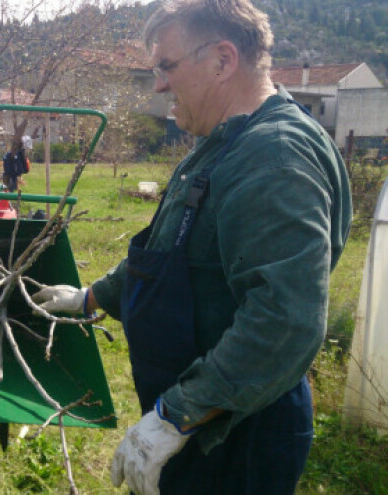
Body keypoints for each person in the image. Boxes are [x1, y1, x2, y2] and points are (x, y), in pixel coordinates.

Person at [32, 1, 352, 493]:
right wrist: (90, 297)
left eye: (166, 66)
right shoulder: (227, 141)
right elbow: (174, 254)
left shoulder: (274, 156)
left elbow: (285, 321)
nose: (159, 84)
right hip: (198, 420)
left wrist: (175, 416)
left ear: (223, 60)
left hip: (233, 435)